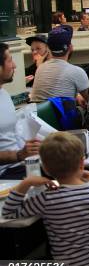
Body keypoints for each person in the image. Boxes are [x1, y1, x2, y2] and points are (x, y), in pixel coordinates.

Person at [2, 132, 89, 266]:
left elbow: (8, 212)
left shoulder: (46, 198)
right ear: (82, 163)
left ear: (46, 169)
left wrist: (25, 184)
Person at [0, 42, 40, 180]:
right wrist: (19, 155)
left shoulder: (3, 93)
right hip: (6, 172)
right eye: (10, 60)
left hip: (20, 164)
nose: (14, 65)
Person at [30, 26, 89, 107]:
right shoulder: (77, 72)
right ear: (70, 47)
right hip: (62, 119)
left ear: (49, 49)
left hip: (39, 117)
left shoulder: (40, 68)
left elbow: (56, 92)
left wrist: (76, 96)